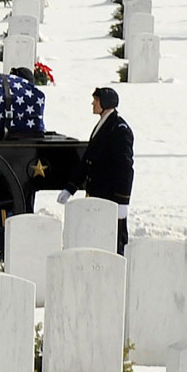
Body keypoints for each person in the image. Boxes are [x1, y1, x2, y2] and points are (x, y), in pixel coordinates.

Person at [61, 86, 135, 251]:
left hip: (111, 195)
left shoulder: (119, 129)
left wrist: (123, 201)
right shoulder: (104, 124)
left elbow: (125, 168)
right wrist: (70, 188)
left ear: (106, 103)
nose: (92, 103)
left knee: (115, 237)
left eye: (96, 100)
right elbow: (88, 160)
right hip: (98, 192)